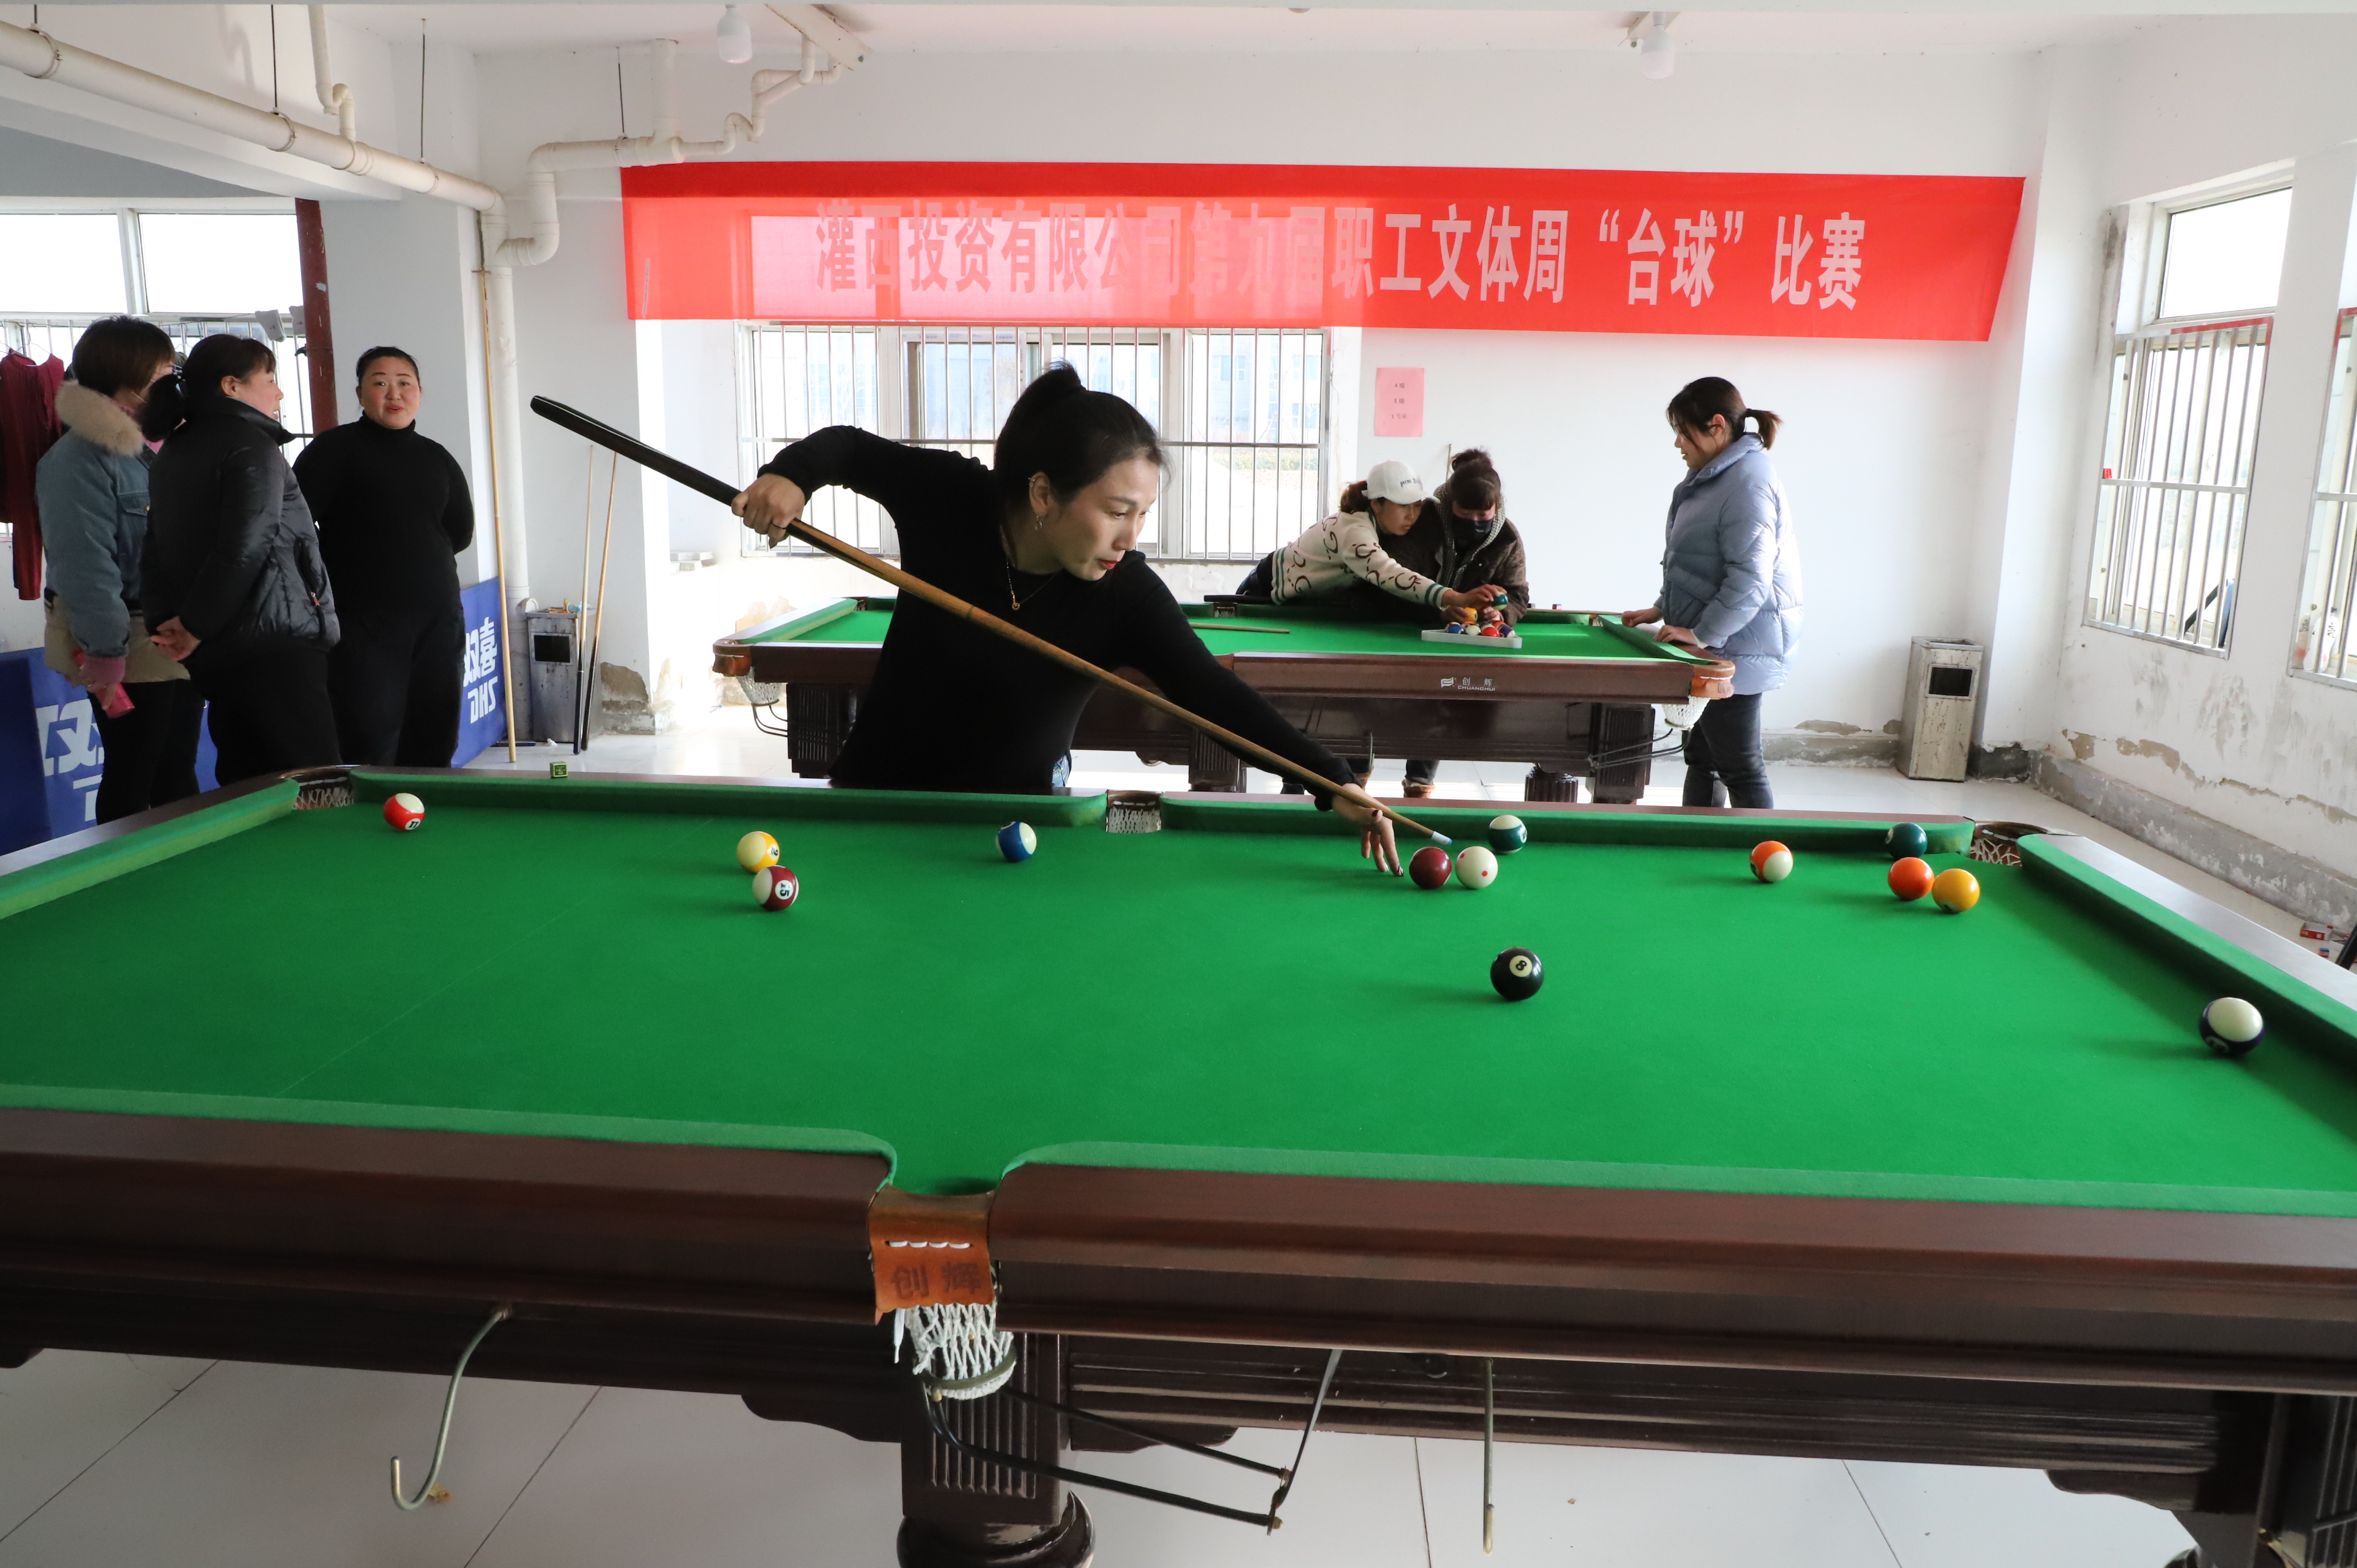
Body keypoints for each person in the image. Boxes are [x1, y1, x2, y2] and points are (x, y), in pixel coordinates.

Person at [732, 363, 1403, 872]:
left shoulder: (1125, 591)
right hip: (875, 802)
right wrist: (791, 475)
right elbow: (850, 448)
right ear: (1043, 493)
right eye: (1115, 512)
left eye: (1142, 514)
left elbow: (1211, 692)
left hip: (1020, 832)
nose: (1130, 537)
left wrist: (1331, 780)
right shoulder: (952, 499)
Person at [142, 334, 342, 786]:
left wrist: (170, 624)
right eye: (269, 380)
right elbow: (245, 546)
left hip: (218, 647)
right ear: (231, 386)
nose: (279, 393)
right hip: (274, 638)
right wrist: (192, 626)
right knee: (315, 782)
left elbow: (153, 548)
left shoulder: (174, 451)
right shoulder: (251, 445)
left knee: (248, 783)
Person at [36, 317, 202, 822]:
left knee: (178, 771)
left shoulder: (164, 442)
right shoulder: (77, 460)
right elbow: (85, 567)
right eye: (164, 372)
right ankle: (122, 868)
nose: (174, 381)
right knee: (135, 773)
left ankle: (186, 864)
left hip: (177, 631)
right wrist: (106, 655)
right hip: (124, 637)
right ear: (131, 382)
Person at [1621, 377, 1801, 809]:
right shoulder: (1716, 475)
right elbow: (1698, 563)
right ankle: (1697, 840)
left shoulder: (1747, 482)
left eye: (1684, 433)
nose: (1678, 444)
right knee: (1703, 760)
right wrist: (1661, 608)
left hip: (1735, 646)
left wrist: (1701, 635)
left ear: (1717, 426)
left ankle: (1766, 845)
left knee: (1739, 766)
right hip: (1718, 642)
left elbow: (1750, 579)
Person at [293, 347, 475, 766]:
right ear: (360, 394)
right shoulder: (333, 450)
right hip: (363, 622)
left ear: (420, 393)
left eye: (404, 383)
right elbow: (295, 527)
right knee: (368, 734)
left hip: (437, 619)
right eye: (380, 383)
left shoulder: (436, 457)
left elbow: (459, 532)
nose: (394, 394)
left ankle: (427, 804)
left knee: (435, 731)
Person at [1381, 448, 1533, 797]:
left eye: (1484, 513)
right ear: (1450, 504)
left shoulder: (1507, 538)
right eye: (1466, 513)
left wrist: (1501, 613)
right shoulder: (1419, 524)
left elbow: (1518, 595)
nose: (1476, 520)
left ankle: (1419, 786)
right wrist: (1439, 608)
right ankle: (1355, 776)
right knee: (1371, 700)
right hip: (1399, 633)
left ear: (1497, 506)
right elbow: (1389, 586)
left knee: (1440, 699)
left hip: (1458, 641)